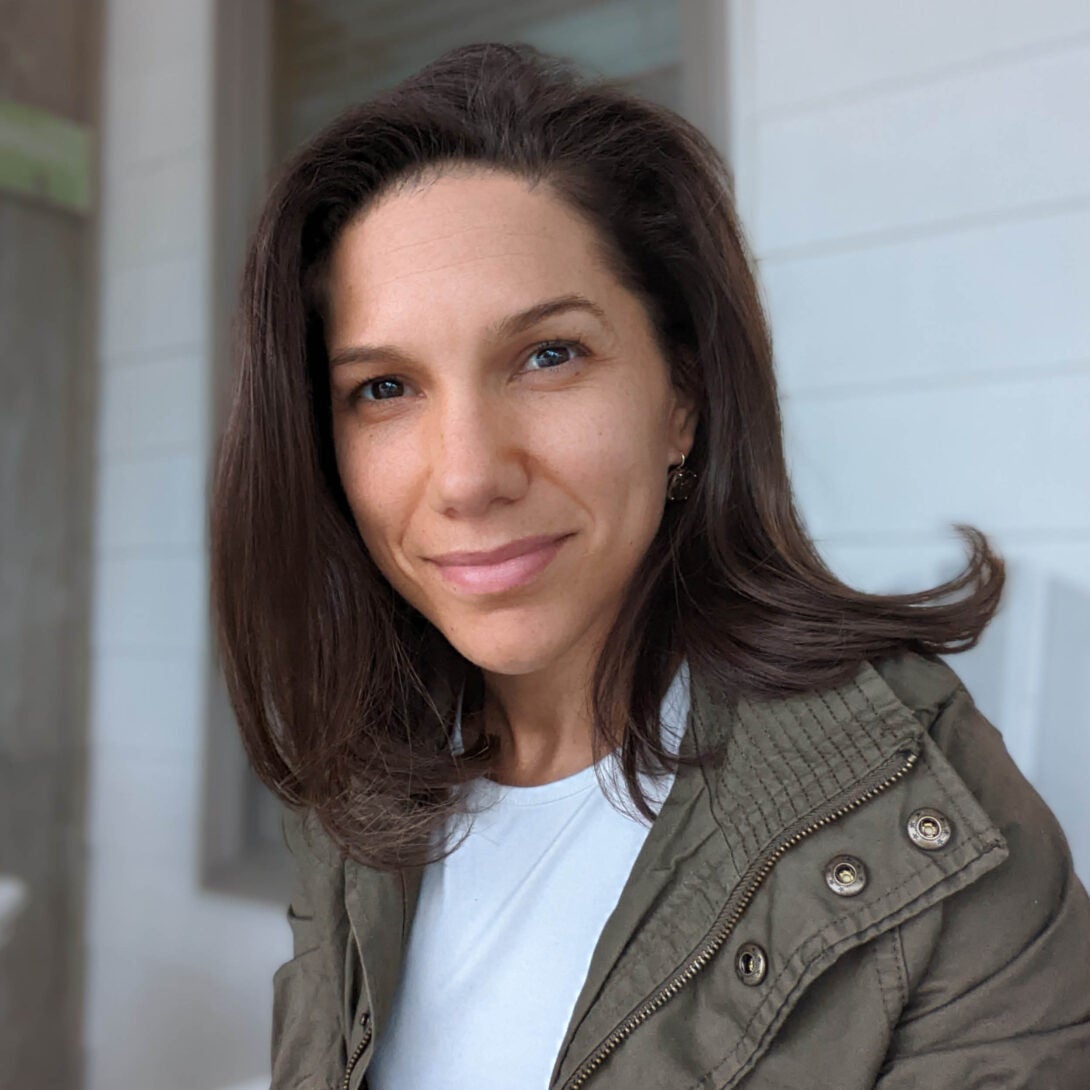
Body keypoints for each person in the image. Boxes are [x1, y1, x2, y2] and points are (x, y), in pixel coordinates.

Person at [209, 42, 1090, 1090]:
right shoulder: (360, 778)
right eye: (385, 388)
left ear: (682, 398)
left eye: (548, 355)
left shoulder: (919, 814)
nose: (467, 475)